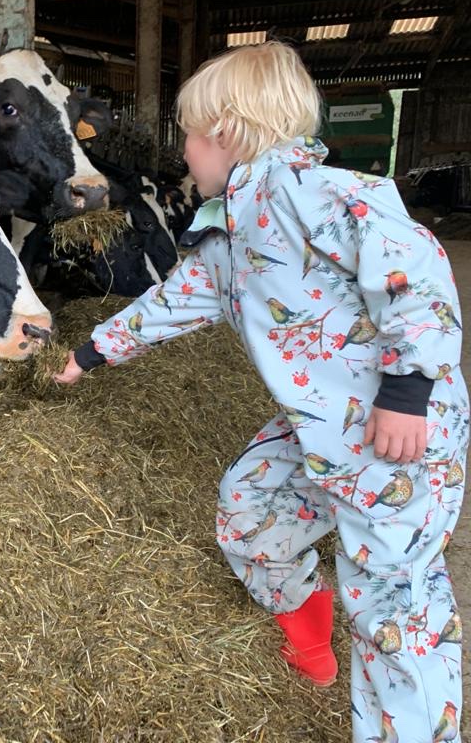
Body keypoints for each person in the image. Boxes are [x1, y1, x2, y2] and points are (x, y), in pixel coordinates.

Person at [55, 41, 467, 742]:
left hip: (400, 437)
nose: (183, 154)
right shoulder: (227, 236)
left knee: (395, 615)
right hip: (320, 430)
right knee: (249, 510)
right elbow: (169, 305)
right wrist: (88, 354)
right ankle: (311, 640)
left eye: (189, 136)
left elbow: (416, 275)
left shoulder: (319, 194)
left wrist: (405, 389)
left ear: (225, 132)